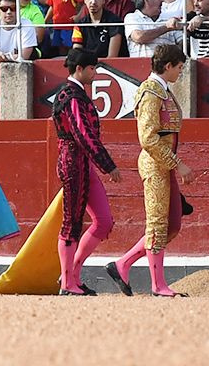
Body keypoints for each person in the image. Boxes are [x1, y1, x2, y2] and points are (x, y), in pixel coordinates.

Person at [107, 40, 191, 298]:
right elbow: (148, 138)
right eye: (178, 67)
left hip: (164, 165)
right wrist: (178, 164)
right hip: (156, 165)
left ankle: (122, 264)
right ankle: (158, 285)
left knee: (172, 224)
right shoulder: (151, 91)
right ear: (167, 66)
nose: (180, 72)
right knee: (156, 224)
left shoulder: (162, 89)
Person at [49, 47, 123, 295]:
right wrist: (107, 164)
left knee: (103, 221)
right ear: (79, 69)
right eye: (92, 68)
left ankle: (72, 276)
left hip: (82, 163)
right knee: (71, 223)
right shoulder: (71, 95)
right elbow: (82, 133)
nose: (95, 72)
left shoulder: (74, 93)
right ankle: (68, 283)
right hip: (73, 162)